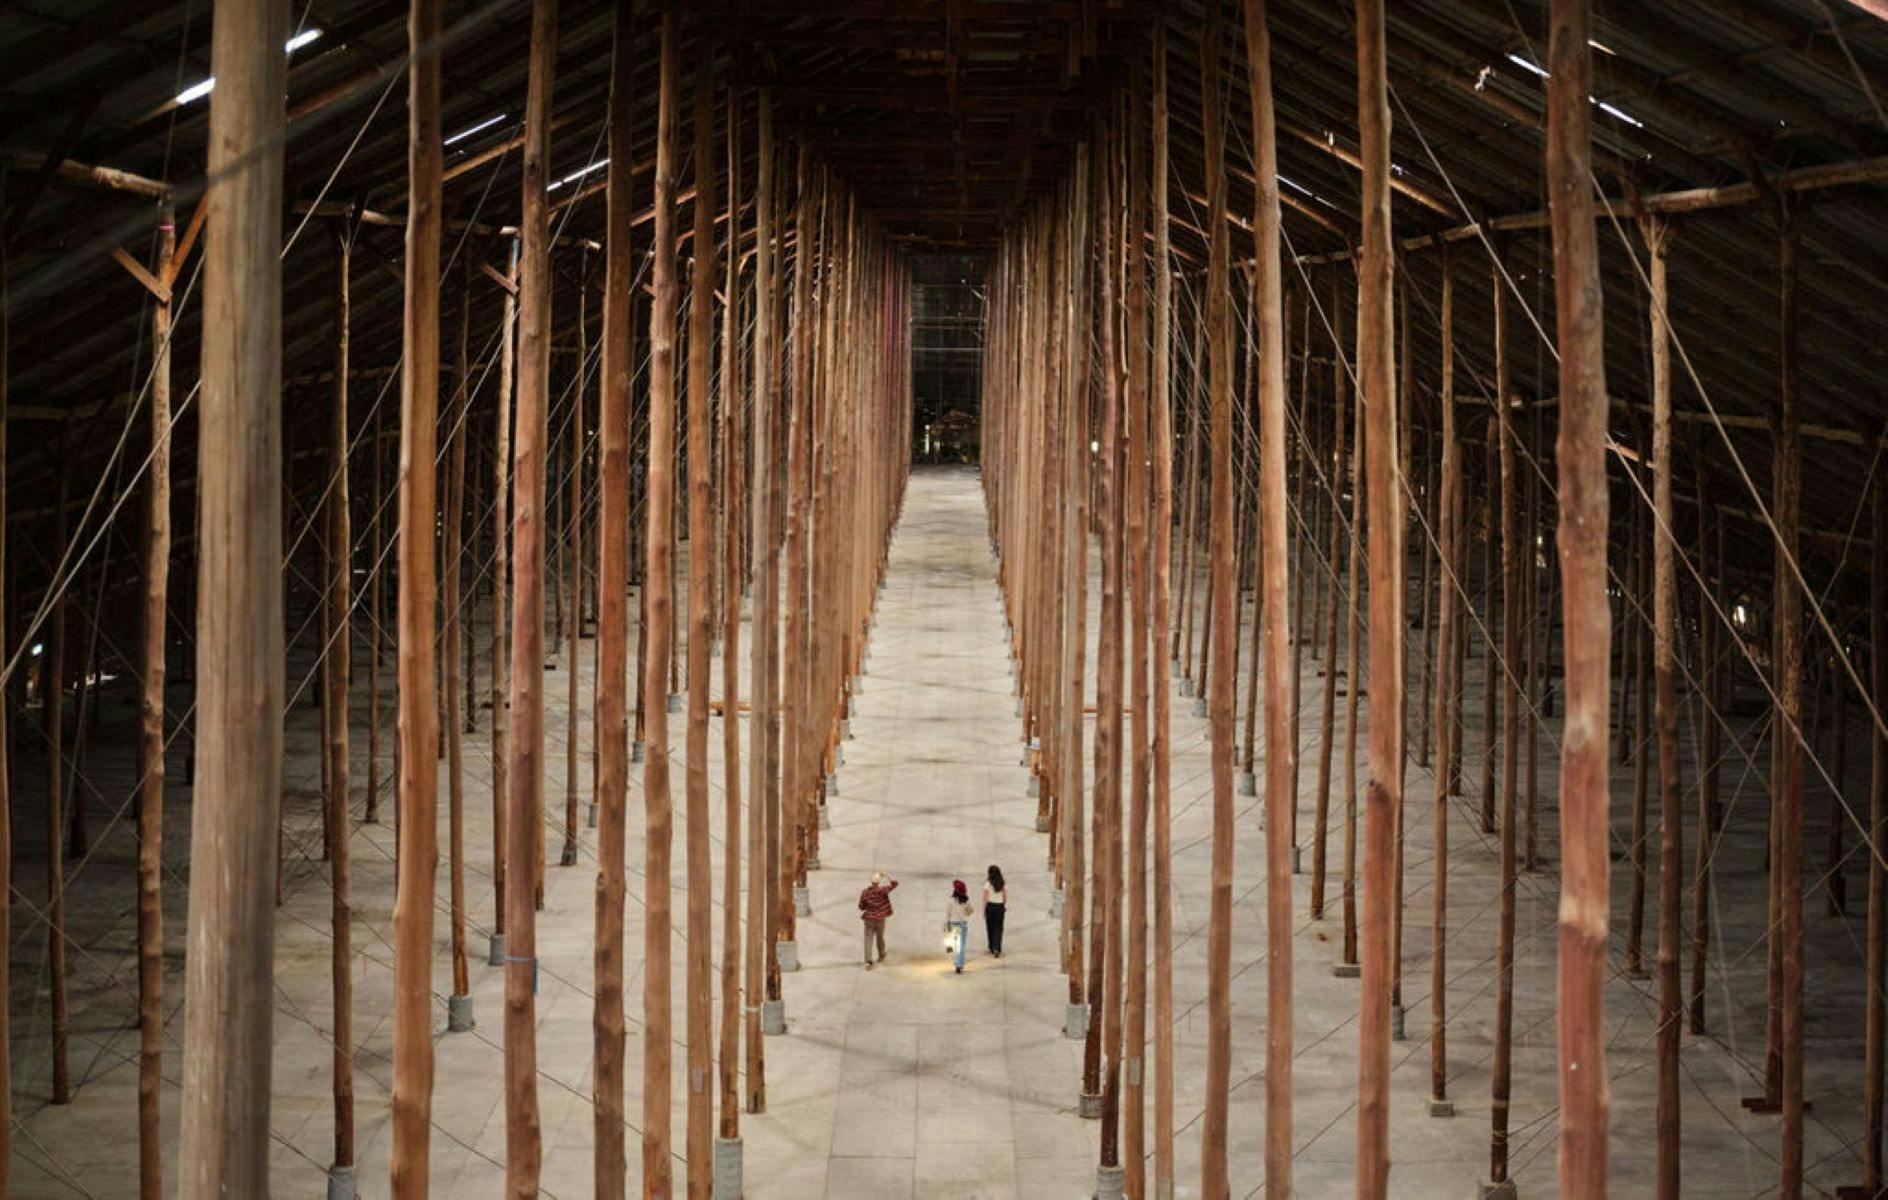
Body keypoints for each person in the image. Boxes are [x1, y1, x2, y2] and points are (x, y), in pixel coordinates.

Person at [858, 871, 897, 969]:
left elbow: (861, 907)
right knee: (880, 937)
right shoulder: (882, 891)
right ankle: (881, 955)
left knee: (868, 939)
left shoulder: (865, 893)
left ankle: (868, 961)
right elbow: (894, 884)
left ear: (871, 882)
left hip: (869, 919)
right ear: (879, 883)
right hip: (880, 919)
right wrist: (887, 875)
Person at [944, 879, 974, 974]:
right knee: (962, 945)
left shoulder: (951, 900)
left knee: (953, 944)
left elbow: (948, 914)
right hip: (962, 924)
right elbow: (971, 911)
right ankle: (959, 965)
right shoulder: (966, 900)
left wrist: (947, 925)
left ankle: (955, 960)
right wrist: (965, 912)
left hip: (953, 924)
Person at [982, 865, 1007, 958]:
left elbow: (985, 898)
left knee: (990, 928)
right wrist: (1003, 905)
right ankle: (997, 948)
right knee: (999, 928)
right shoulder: (1002, 883)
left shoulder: (987, 885)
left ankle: (992, 947)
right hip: (999, 907)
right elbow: (1005, 896)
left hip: (990, 907)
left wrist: (984, 910)